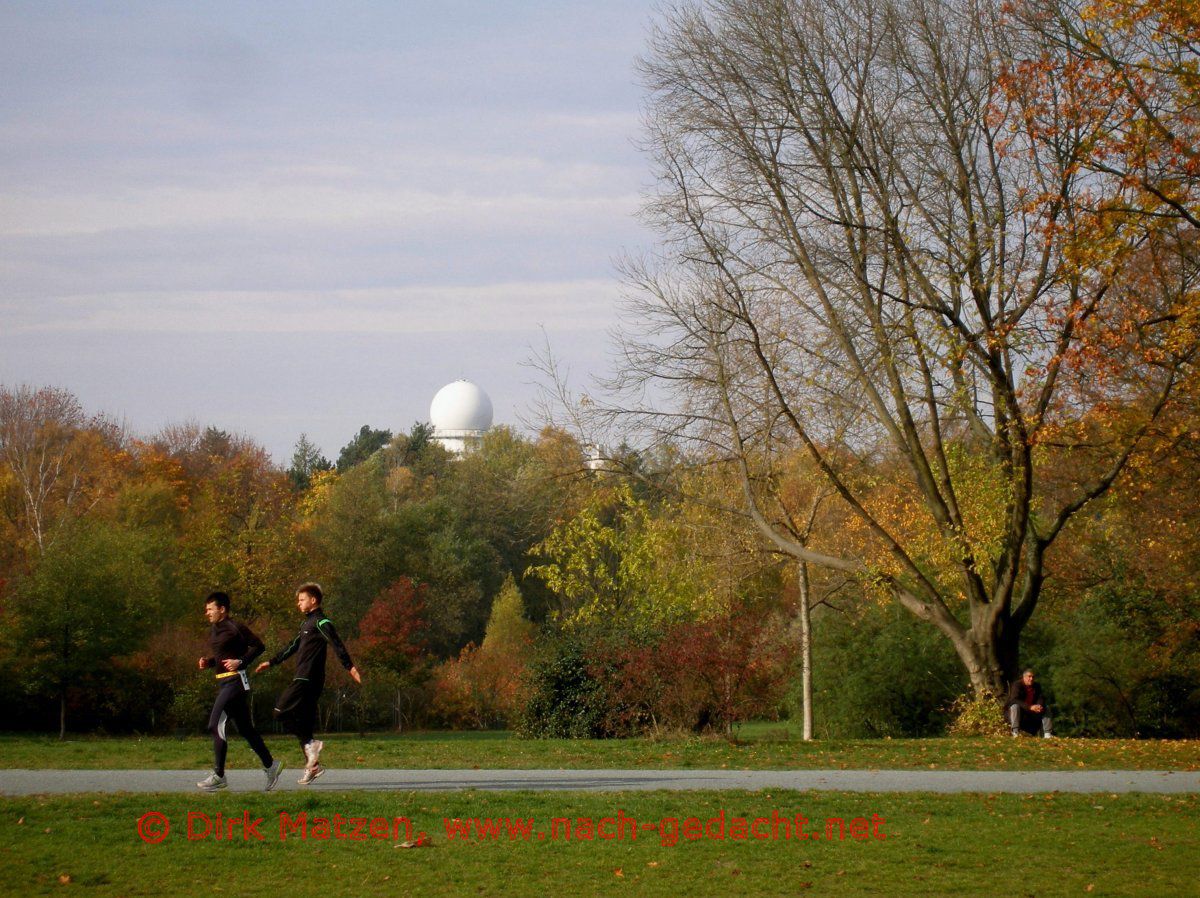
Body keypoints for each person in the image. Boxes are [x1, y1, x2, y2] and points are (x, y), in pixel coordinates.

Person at [256, 582, 361, 784]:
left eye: (301, 599)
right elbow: (292, 646)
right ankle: (313, 766)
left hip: (307, 679)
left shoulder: (321, 622)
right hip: (305, 678)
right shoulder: (306, 625)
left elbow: (337, 643)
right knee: (303, 723)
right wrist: (271, 662)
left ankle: (311, 745)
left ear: (313, 600)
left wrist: (350, 667)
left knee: (279, 712)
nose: (298, 603)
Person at [196, 591, 284, 792]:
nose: (207, 613)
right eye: (206, 609)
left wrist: (241, 662)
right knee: (245, 729)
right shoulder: (215, 629)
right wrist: (209, 662)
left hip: (235, 682)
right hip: (224, 682)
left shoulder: (235, 627)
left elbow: (259, 646)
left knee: (214, 723)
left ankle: (219, 775)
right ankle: (272, 766)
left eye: (210, 609)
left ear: (222, 609)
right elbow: (223, 656)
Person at [1006, 669, 1053, 738]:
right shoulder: (1017, 685)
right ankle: (1015, 732)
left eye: (1033, 677)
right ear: (1024, 677)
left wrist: (1039, 706)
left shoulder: (1037, 686)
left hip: (1032, 713)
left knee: (1046, 708)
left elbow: (1041, 697)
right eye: (1029, 676)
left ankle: (1047, 734)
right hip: (1020, 713)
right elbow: (1014, 700)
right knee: (1015, 706)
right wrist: (1030, 707)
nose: (1031, 679)